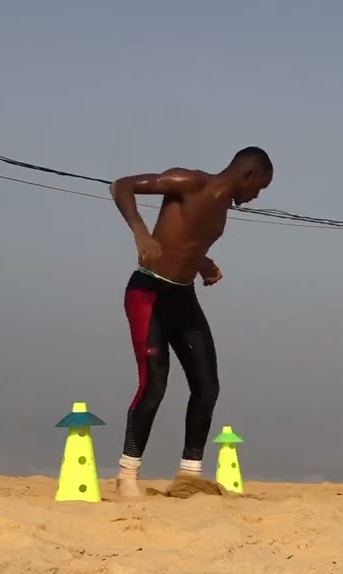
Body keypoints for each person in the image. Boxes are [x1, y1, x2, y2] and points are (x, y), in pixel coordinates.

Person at [107, 147, 274, 496]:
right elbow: (121, 186)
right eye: (258, 189)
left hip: (183, 297)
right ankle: (127, 476)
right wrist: (141, 233)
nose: (255, 197)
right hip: (149, 292)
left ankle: (188, 476)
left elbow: (185, 239)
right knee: (154, 384)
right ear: (249, 175)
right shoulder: (189, 182)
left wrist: (202, 263)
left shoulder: (222, 213)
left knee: (207, 385)